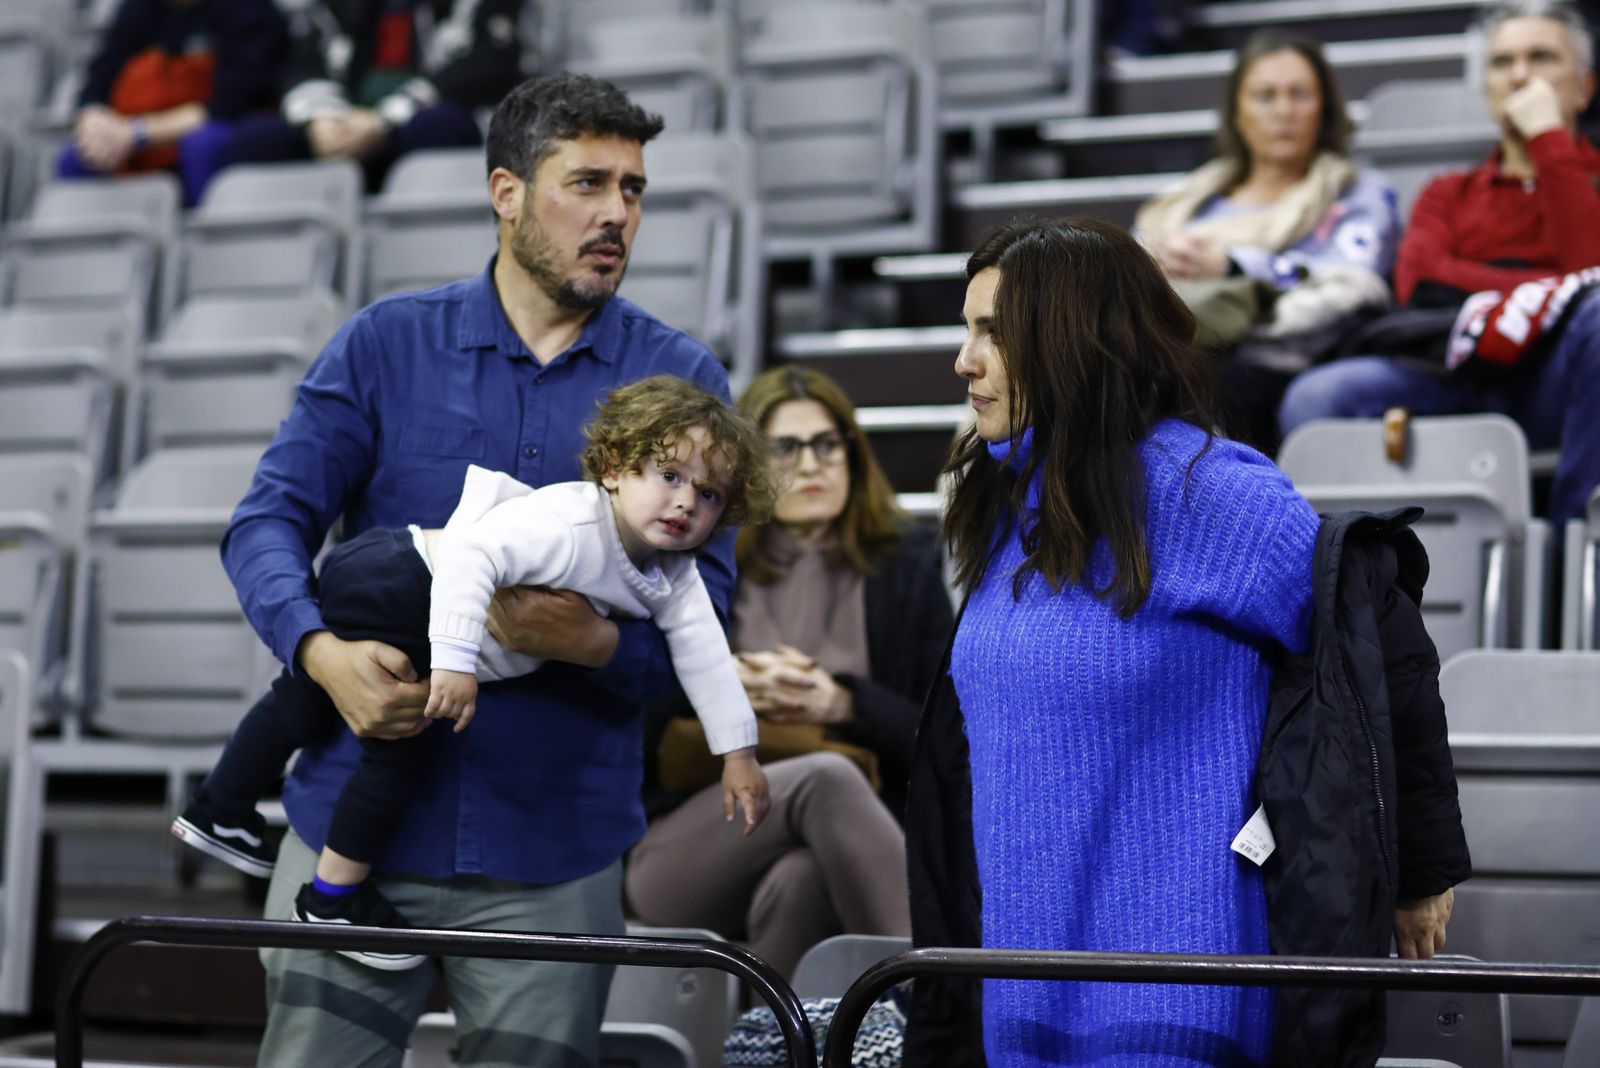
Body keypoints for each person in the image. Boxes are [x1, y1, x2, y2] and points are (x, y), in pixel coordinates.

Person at [220, 73, 737, 1066]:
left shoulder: (684, 381)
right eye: (587, 184)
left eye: (632, 190)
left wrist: (588, 641)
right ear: (507, 193)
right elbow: (266, 523)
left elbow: (709, 616)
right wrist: (320, 654)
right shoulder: (385, 344)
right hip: (352, 827)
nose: (617, 214)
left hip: (554, 853)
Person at [900, 217, 1468, 1068]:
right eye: (965, 330)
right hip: (1017, 996)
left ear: (1072, 339)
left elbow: (1375, 631)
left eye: (993, 333)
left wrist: (1420, 866)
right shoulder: (1005, 502)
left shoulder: (1206, 488)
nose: (964, 361)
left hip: (1177, 1003)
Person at [175, 376, 776, 970]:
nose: (686, 502)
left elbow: (703, 653)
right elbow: (473, 555)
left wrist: (739, 752)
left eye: (709, 494)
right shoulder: (572, 528)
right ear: (615, 470)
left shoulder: (675, 574)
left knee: (302, 699)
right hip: (401, 579)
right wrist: (455, 663)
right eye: (669, 476)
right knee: (400, 745)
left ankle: (219, 807)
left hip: (403, 585)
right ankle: (331, 899)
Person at [624, 366, 954, 978]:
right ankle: (935, 995)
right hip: (689, 842)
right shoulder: (690, 561)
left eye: (828, 443)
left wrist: (845, 705)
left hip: (840, 845)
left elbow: (946, 742)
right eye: (785, 448)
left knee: (801, 878)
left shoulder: (904, 567)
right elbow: (624, 712)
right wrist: (717, 686)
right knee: (824, 778)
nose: (811, 465)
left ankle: (776, 1031)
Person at [1278, 0, 1600, 526]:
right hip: (1449, 369)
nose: (1520, 76)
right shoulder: (1447, 192)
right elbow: (1419, 281)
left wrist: (1549, 141)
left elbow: (1591, 270)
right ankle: (1345, 566)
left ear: (1584, 88)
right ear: (1487, 87)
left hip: (1557, 380)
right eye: (1502, 62)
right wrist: (1548, 291)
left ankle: (1579, 542)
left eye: (1541, 57)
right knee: (1316, 397)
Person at [1135, 29, 1400, 451]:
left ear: (1325, 109)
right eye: (1265, 96)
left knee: (1202, 389)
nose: (1283, 111)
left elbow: (1354, 285)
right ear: (1237, 113)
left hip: (1278, 362)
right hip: (1170, 355)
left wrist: (1232, 270)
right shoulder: (1184, 202)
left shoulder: (1356, 192)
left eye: (1300, 95)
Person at [228, 0, 524, 191]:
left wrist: (384, 120)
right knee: (258, 140)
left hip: (423, 122)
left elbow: (487, 65)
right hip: (345, 125)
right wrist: (320, 119)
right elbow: (305, 58)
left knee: (440, 126)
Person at [57, 0, 289, 207]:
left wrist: (135, 133)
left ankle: (204, 235)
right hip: (136, 137)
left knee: (201, 146)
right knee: (79, 157)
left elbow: (231, 103)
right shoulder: (137, 9)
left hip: (219, 128)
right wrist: (95, 126)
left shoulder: (249, 9)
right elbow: (97, 84)